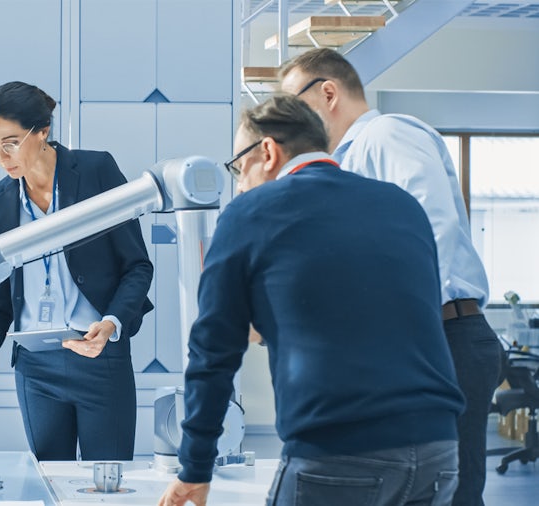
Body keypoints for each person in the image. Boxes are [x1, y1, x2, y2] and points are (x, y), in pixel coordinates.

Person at [158, 95, 466, 506]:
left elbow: (213, 351)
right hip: (437, 450)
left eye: (238, 167)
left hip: (340, 450)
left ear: (268, 151)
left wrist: (195, 467)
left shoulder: (250, 211)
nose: (240, 184)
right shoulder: (401, 204)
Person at [279, 48, 504, 506]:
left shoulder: (386, 134)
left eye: (293, 106)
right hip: (411, 341)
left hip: (440, 336)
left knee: (448, 494)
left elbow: (432, 230)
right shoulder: (343, 163)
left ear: (328, 93)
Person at [0, 81, 154, 461]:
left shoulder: (96, 171)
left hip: (98, 357)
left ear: (42, 131)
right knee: (49, 479)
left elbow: (137, 266)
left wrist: (111, 323)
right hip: (35, 368)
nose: (1, 156)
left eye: (10, 142)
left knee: (107, 481)